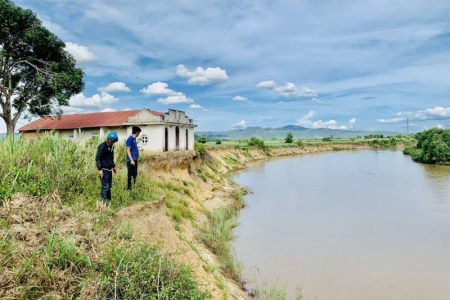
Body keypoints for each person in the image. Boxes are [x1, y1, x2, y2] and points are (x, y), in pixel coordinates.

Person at [95, 131, 118, 205]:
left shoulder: (111, 147)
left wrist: (113, 166)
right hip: (103, 169)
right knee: (106, 186)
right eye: (112, 141)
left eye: (114, 142)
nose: (113, 143)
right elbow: (98, 159)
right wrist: (100, 170)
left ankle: (108, 201)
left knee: (109, 186)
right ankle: (104, 203)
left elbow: (110, 158)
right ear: (108, 139)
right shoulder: (102, 146)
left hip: (109, 169)